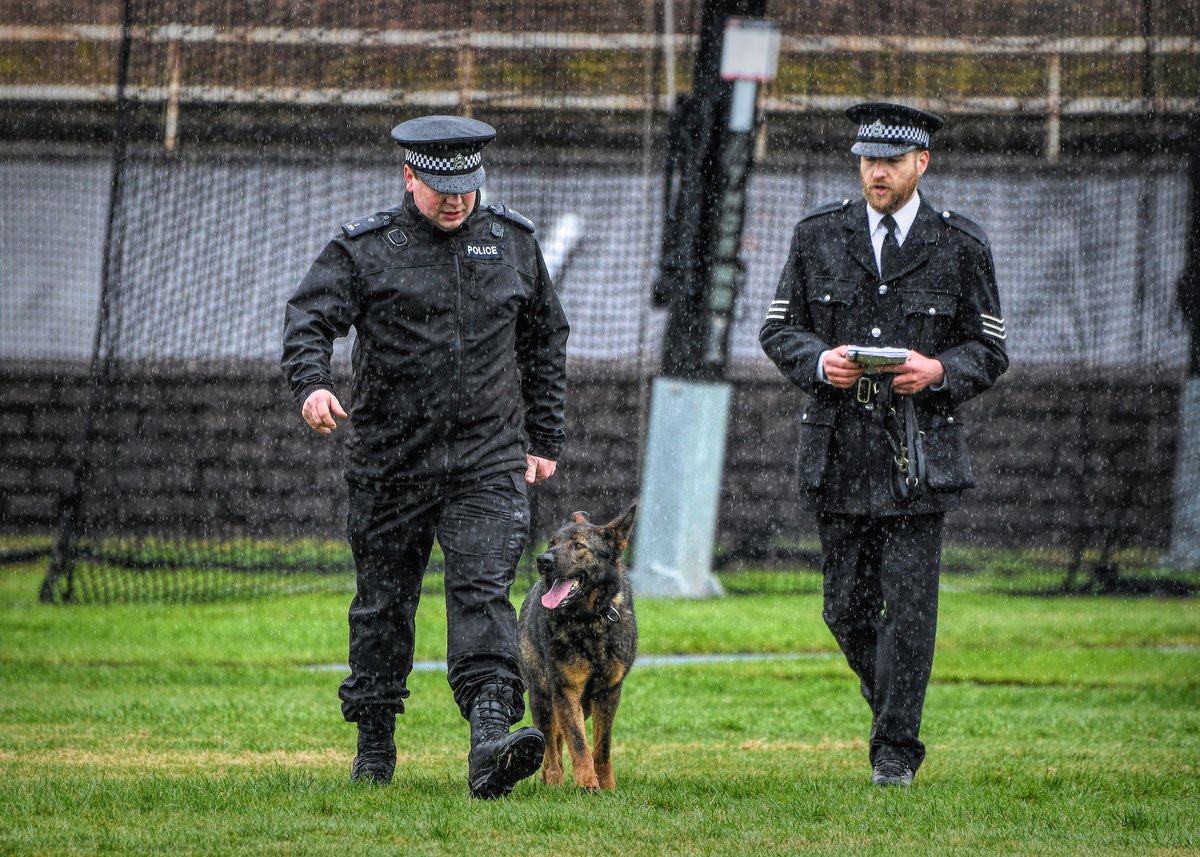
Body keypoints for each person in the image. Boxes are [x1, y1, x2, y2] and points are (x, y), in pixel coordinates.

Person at [281, 114, 569, 798]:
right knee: (384, 603)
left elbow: (544, 341)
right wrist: (313, 384)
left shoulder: (514, 244)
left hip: (487, 460)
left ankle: (491, 738)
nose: (455, 200)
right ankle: (375, 742)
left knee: (483, 593)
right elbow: (309, 320)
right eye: (440, 187)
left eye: (467, 187)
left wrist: (543, 438)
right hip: (390, 461)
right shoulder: (365, 249)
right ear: (408, 176)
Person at [759, 102, 1009, 787]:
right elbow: (779, 331)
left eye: (891, 161)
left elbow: (989, 350)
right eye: (868, 159)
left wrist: (939, 371)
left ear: (920, 163)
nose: (877, 171)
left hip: (917, 454)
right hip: (839, 450)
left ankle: (895, 750)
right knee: (844, 606)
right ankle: (893, 701)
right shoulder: (817, 235)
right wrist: (818, 362)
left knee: (911, 607)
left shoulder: (959, 244)